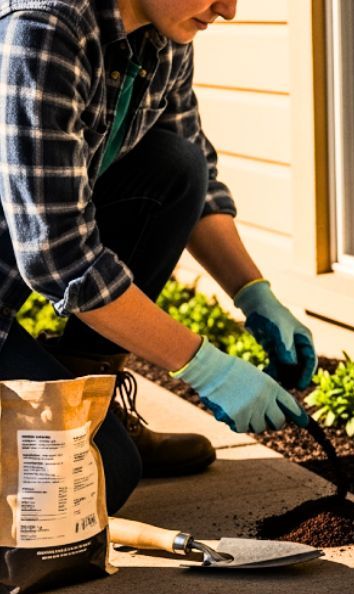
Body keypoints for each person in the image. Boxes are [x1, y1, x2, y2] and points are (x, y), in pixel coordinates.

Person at [0, 0, 314, 515]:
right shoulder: (45, 29)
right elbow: (60, 259)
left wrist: (255, 295)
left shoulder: (165, 31)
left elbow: (198, 181)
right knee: (97, 481)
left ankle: (92, 404)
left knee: (176, 164)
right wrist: (206, 367)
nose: (229, 10)